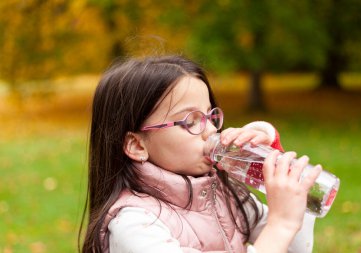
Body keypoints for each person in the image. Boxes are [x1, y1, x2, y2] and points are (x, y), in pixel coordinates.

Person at [79, 55, 322, 253]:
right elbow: (278, 234)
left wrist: (269, 167)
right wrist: (281, 225)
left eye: (210, 115)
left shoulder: (225, 195)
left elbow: (291, 248)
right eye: (191, 121)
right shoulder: (134, 225)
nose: (211, 130)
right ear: (137, 146)